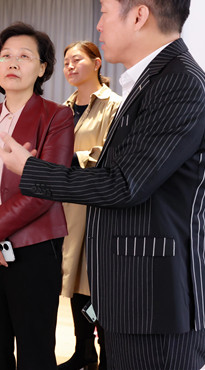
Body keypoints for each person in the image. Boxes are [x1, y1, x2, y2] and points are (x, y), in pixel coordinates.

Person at [0, 0, 205, 370]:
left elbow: (124, 185)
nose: (98, 24)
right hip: (136, 300)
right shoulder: (152, 82)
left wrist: (31, 169)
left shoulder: (178, 85)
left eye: (104, 11)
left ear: (138, 16)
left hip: (156, 307)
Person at [0, 22, 74, 369]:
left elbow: (46, 188)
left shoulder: (57, 116)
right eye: (4, 55)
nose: (12, 62)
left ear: (42, 68)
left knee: (35, 351)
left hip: (33, 249)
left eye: (24, 56)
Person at [58, 41, 121, 370]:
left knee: (99, 285)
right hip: (67, 208)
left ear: (97, 63)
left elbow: (112, 154)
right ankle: (83, 353)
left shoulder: (114, 105)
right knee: (74, 282)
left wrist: (71, 159)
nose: (69, 66)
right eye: (66, 61)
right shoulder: (63, 109)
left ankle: (107, 354)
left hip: (97, 209)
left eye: (77, 60)